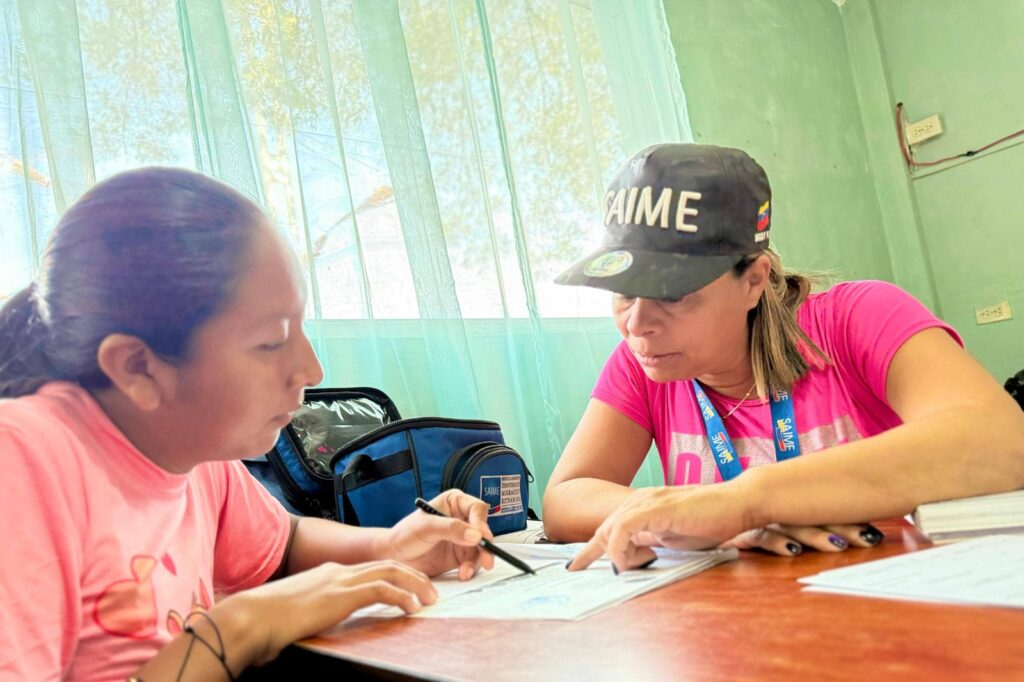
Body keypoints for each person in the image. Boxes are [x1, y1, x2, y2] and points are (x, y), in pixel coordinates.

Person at [0, 168, 496, 681]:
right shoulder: (23, 461)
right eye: (270, 341)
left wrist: (389, 547)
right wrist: (239, 626)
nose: (311, 370)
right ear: (138, 368)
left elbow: (283, 545)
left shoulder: (186, 444)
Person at [542, 143, 1024, 572]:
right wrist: (686, 511)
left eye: (672, 293)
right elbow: (565, 497)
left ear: (753, 279)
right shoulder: (644, 359)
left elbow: (1002, 441)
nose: (637, 323)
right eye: (623, 292)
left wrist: (747, 502)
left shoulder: (855, 318)